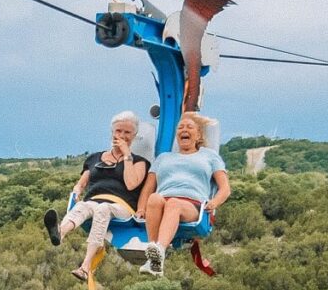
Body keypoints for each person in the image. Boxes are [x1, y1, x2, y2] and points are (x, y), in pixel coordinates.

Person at [44, 111, 150, 281]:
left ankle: (86, 266)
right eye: (118, 131)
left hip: (121, 206)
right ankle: (60, 232)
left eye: (127, 133)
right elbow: (83, 182)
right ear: (112, 132)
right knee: (82, 207)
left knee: (103, 208)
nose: (122, 136)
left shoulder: (139, 162)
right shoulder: (95, 158)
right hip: (93, 199)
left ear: (134, 136)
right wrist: (77, 191)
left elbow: (131, 184)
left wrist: (126, 155)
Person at [136, 112, 230, 277]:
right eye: (180, 127)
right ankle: (153, 255)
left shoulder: (209, 156)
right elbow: (148, 187)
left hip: (191, 204)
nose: (184, 130)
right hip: (162, 201)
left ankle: (160, 250)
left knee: (174, 203)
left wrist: (215, 202)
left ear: (198, 135)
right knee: (154, 198)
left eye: (189, 127)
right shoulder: (164, 158)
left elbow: (225, 188)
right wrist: (140, 208)